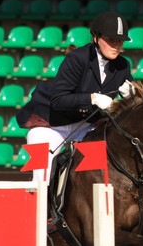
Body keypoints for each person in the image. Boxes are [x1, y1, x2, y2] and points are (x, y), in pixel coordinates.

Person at [16, 11, 135, 184]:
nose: (116, 45)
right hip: (51, 123)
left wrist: (133, 95)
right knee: (42, 178)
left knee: (96, 177)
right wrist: (91, 98)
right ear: (96, 38)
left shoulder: (123, 65)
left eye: (120, 41)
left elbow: (131, 100)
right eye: (111, 39)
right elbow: (58, 100)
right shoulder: (77, 58)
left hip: (86, 126)